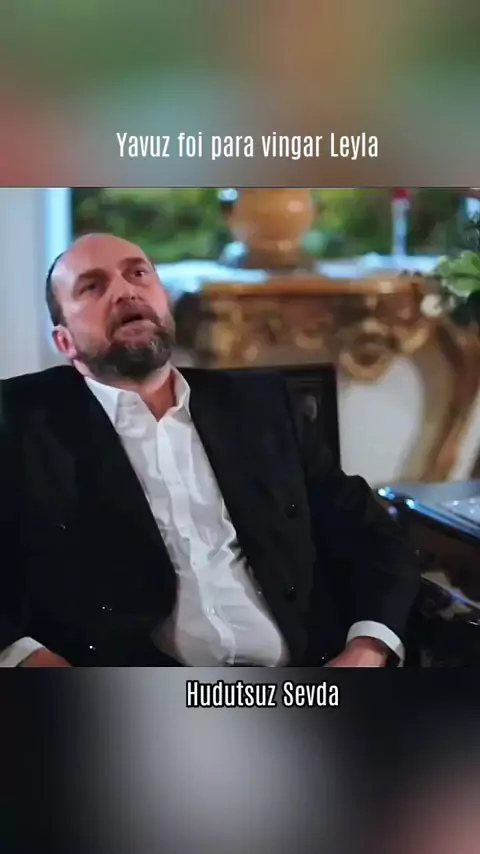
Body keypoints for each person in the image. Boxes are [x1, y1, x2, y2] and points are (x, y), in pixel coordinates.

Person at [0, 233, 419, 667]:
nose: (125, 291)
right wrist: (30, 660)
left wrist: (367, 649)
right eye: (93, 286)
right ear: (65, 341)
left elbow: (369, 533)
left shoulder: (261, 405)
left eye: (138, 274)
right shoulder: (18, 423)